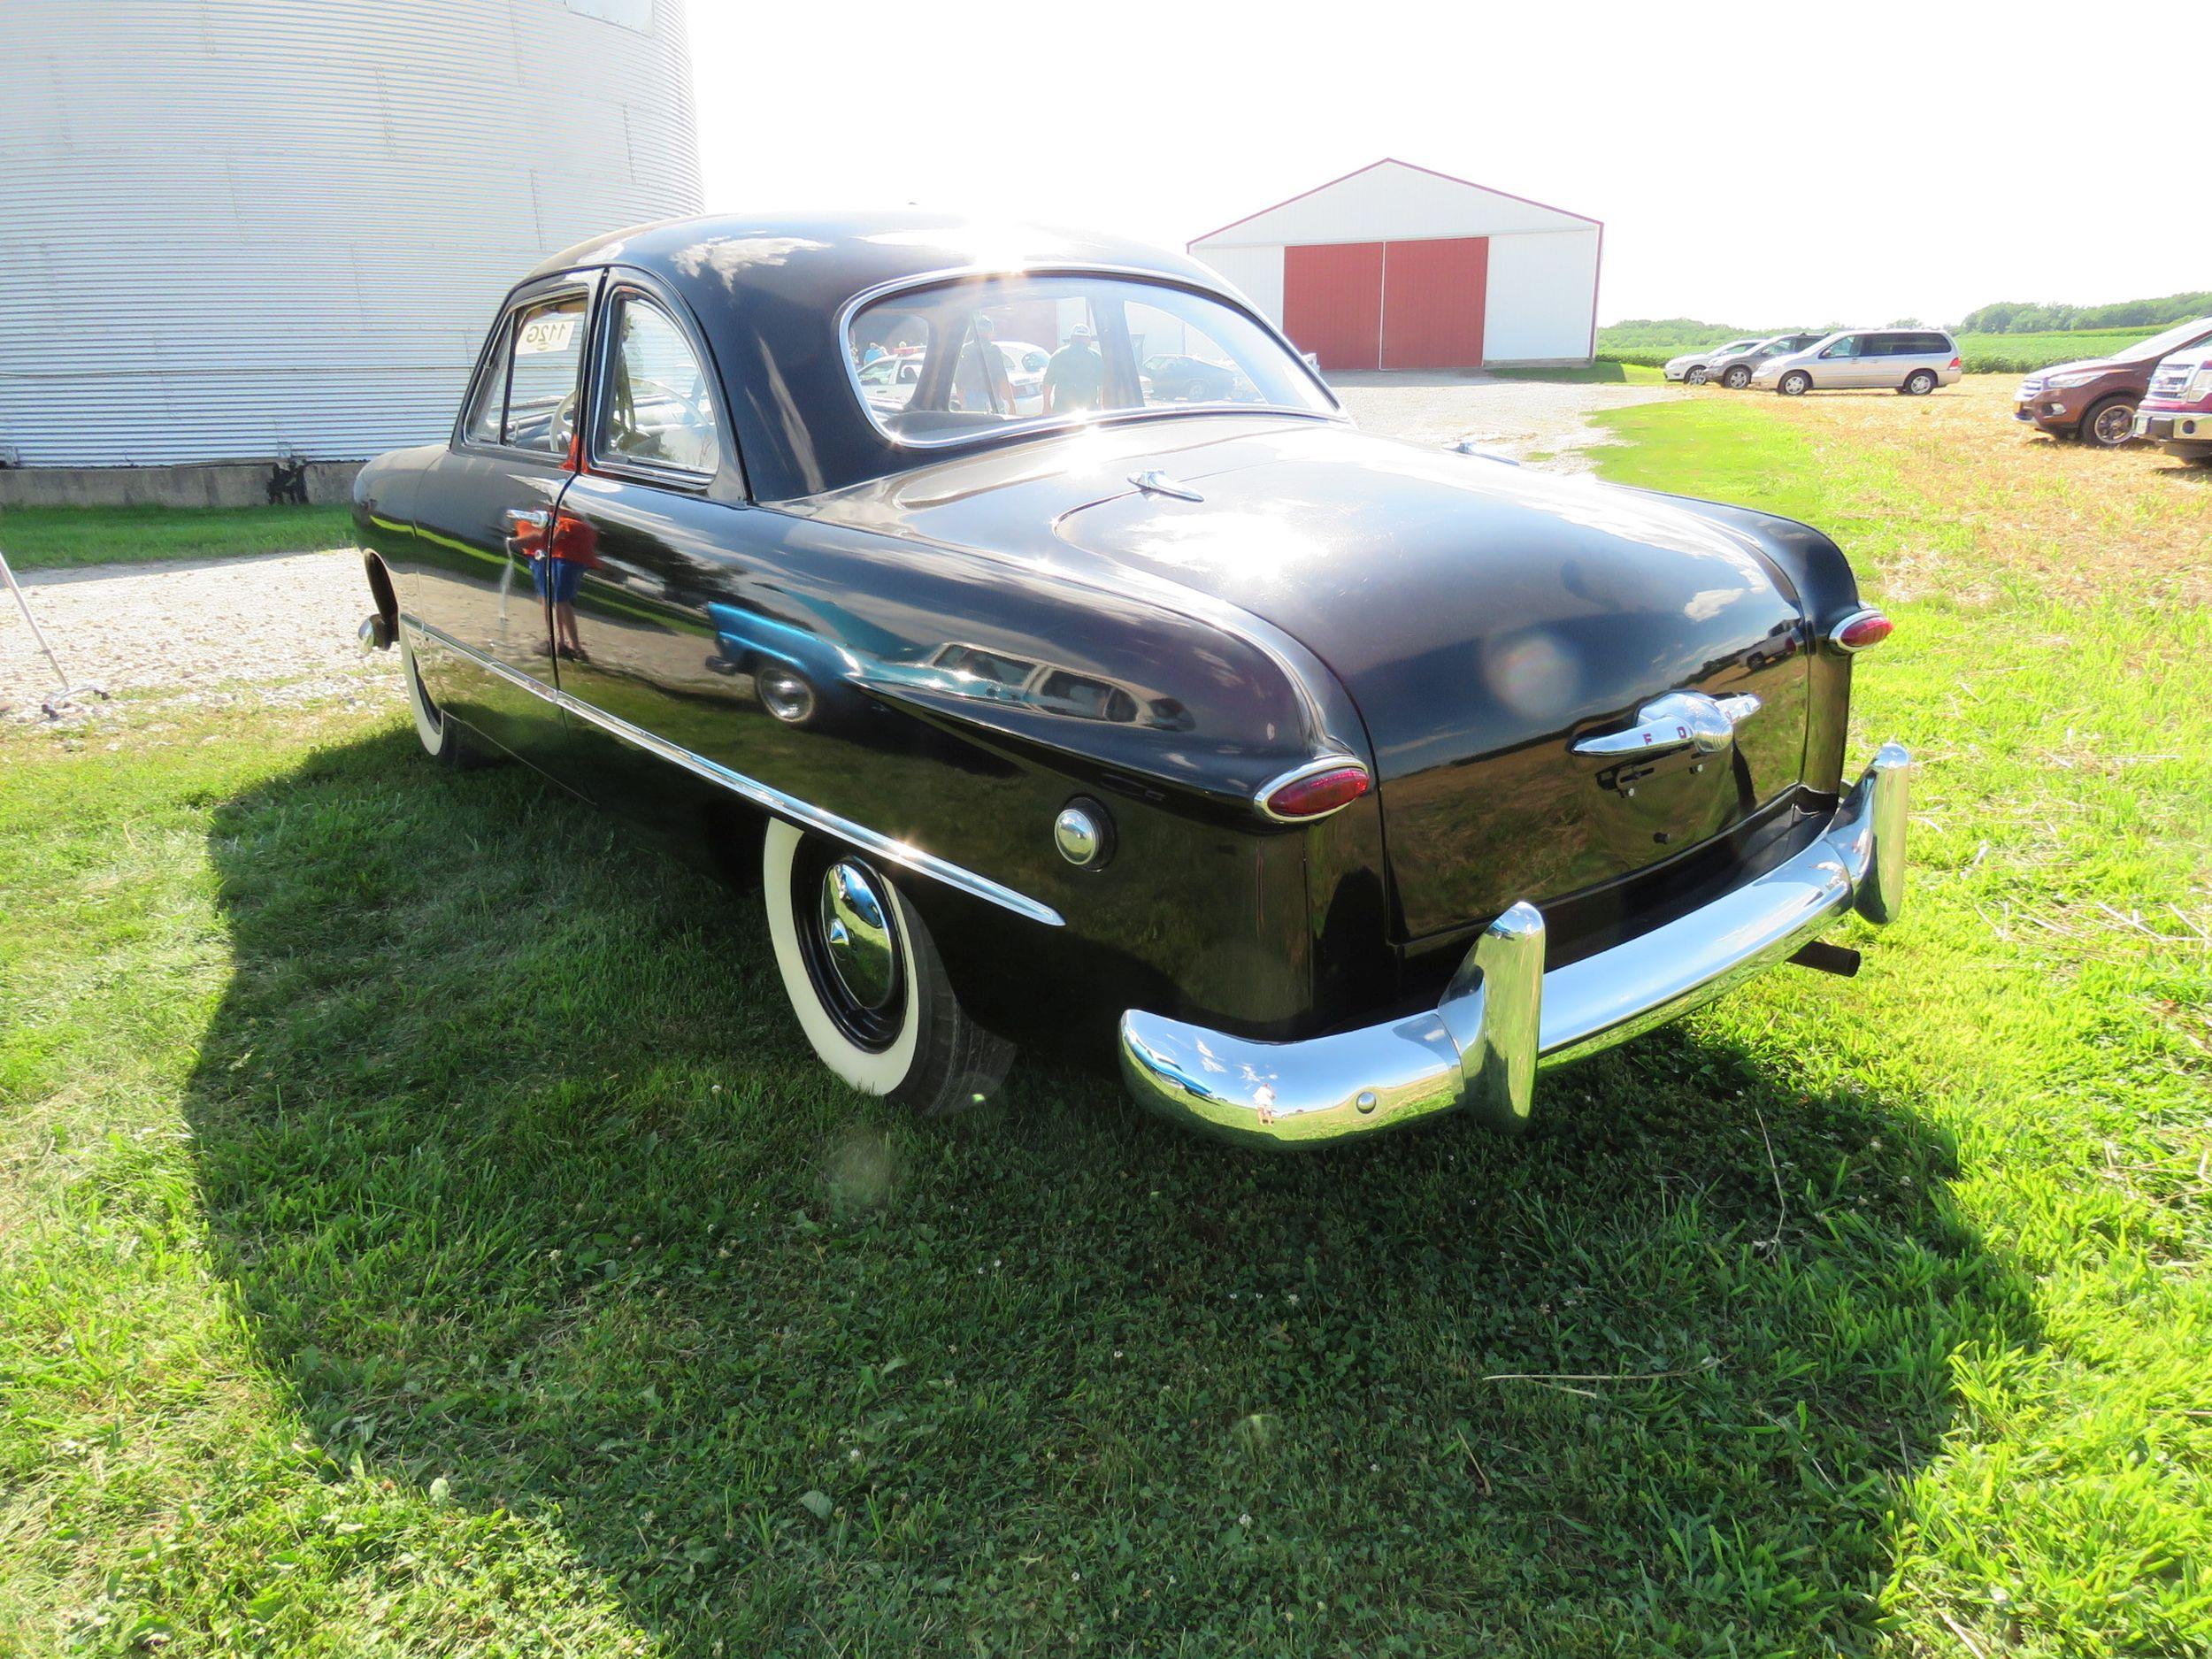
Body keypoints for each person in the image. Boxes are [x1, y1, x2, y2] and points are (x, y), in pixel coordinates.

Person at [1042, 324, 1104, 417]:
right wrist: (1100, 405)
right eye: (1078, 338)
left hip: (1063, 410)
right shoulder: (1096, 357)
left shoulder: (1058, 355)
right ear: (1089, 340)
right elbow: (1102, 384)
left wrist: (1046, 406)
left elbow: (1048, 382)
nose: (1080, 341)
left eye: (1082, 338)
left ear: (1071, 338)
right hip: (1087, 411)